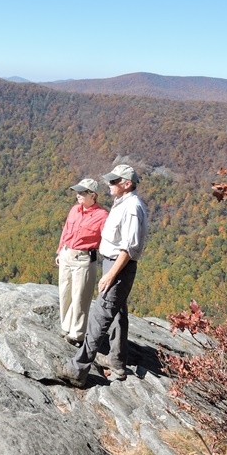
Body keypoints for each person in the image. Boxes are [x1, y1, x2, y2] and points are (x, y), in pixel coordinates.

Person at [58, 164, 148, 387]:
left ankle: (78, 368)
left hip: (118, 266)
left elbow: (129, 248)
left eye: (114, 181)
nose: (109, 184)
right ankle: (116, 360)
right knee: (117, 313)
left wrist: (110, 275)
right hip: (112, 263)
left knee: (99, 315)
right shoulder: (121, 204)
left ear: (127, 184)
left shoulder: (132, 208)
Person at [55, 178, 108, 346]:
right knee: (65, 293)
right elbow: (66, 231)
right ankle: (65, 327)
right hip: (67, 255)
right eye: (77, 192)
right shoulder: (74, 210)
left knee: (80, 297)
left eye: (82, 192)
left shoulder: (102, 216)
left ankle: (77, 334)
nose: (78, 195)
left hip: (84, 259)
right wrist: (60, 251)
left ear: (93, 195)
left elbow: (108, 240)